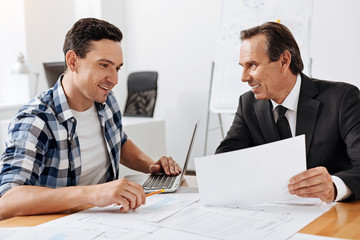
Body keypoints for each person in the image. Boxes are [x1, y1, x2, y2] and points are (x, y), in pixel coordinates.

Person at [0, 18, 181, 220]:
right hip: (60, 225)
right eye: (104, 65)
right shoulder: (36, 120)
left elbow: (119, 142)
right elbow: (7, 200)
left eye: (117, 68)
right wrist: (95, 192)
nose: (114, 79)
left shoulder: (106, 100)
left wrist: (153, 166)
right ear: (73, 61)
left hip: (109, 220)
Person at [216, 22, 360, 203]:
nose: (244, 77)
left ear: (284, 60)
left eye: (252, 65)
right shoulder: (247, 104)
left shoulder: (342, 99)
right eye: (242, 66)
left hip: (333, 214)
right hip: (274, 215)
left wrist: (334, 186)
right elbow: (224, 161)